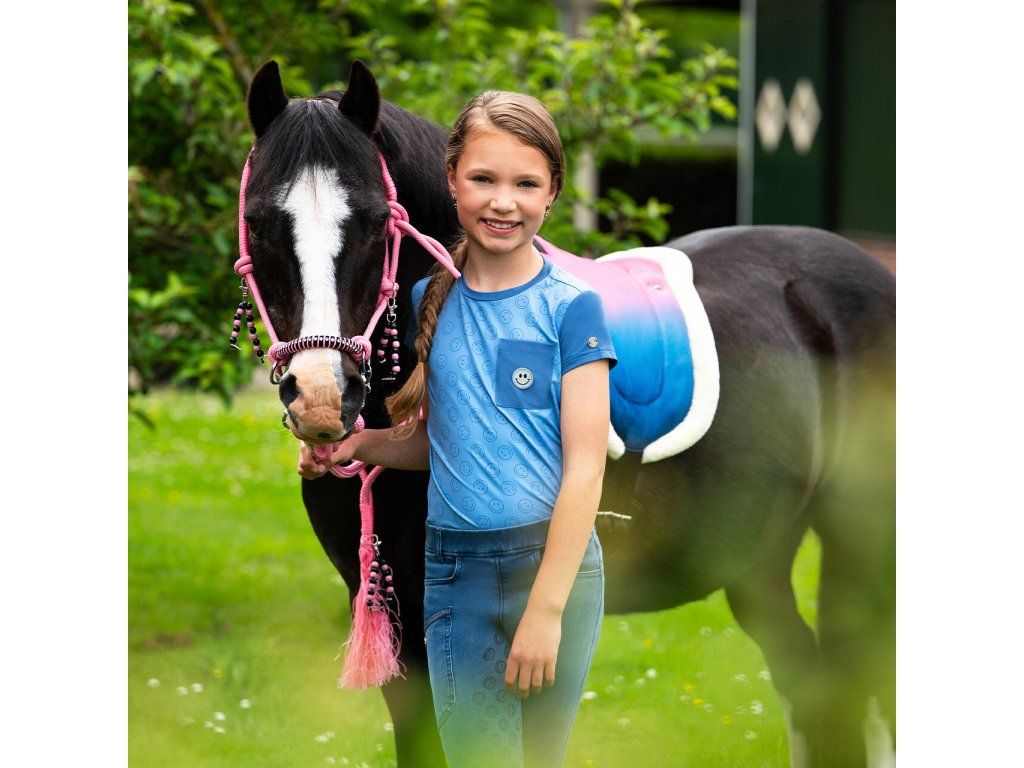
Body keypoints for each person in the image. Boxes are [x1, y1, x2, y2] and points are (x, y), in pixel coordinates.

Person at [298, 90, 617, 767]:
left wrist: (546, 610)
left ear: (553, 192)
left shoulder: (573, 309)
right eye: (483, 179)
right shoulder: (426, 301)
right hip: (456, 575)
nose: (504, 202)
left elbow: (586, 468)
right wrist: (357, 446)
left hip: (552, 573)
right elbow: (443, 441)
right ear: (450, 181)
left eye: (526, 183)